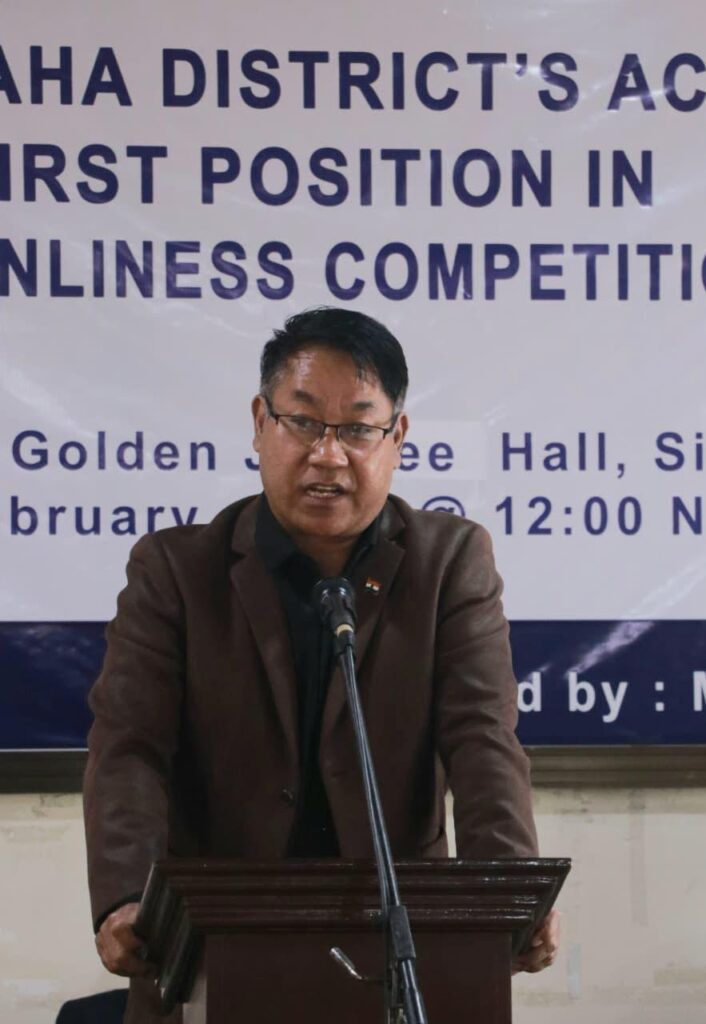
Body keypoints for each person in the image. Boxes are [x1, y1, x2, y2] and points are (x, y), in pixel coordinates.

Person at [84, 307, 559, 1022]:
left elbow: (482, 738)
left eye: (358, 429)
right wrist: (127, 897)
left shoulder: (449, 563)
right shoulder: (176, 571)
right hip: (210, 956)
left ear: (397, 437)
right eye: (303, 421)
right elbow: (130, 748)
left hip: (398, 954)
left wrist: (509, 893)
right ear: (260, 423)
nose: (328, 455)